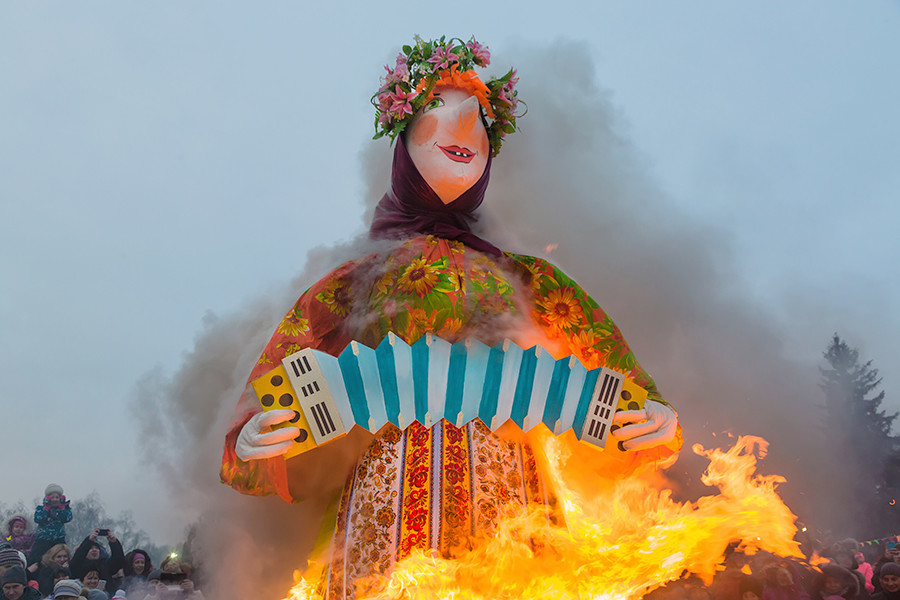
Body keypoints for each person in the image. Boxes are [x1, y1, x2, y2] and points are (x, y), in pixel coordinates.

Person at [221, 36, 681, 598]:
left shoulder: (531, 279)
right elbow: (283, 369)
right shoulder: (352, 282)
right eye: (438, 103)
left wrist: (652, 416)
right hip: (387, 506)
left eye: (481, 118)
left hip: (513, 501)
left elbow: (614, 368)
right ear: (401, 139)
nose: (466, 125)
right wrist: (253, 433)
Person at [28, 486, 71, 567]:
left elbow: (66, 518)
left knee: (63, 555)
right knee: (35, 558)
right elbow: (38, 519)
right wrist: (46, 508)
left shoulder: (65, 509)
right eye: (52, 497)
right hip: (43, 539)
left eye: (57, 497)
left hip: (58, 538)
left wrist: (62, 508)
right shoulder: (41, 509)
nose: (55, 499)